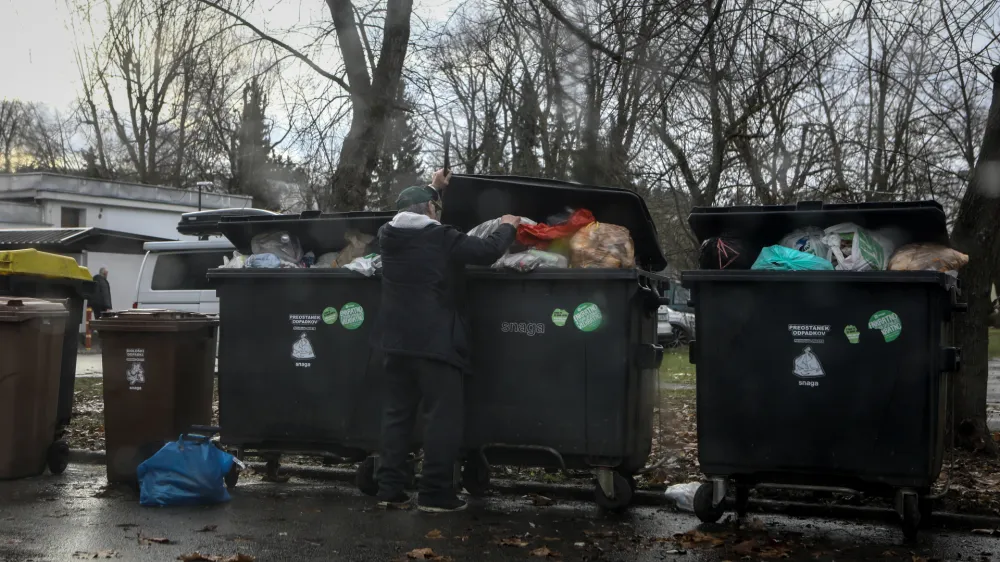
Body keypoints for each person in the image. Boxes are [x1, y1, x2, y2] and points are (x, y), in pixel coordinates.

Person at [374, 169, 520, 512]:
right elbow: (486, 251)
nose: (438, 214)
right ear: (428, 211)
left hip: (394, 342)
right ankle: (436, 493)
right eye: (435, 208)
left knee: (397, 415)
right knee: (443, 417)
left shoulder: (386, 235)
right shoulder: (441, 238)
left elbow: (412, 208)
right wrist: (509, 225)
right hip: (436, 344)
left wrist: (433, 187)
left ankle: (390, 489)